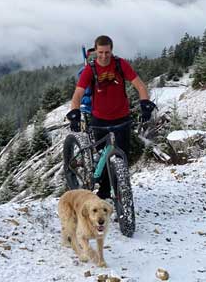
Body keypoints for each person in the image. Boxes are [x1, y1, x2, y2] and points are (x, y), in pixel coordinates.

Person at [66, 35, 156, 199]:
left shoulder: (120, 64)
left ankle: (121, 194)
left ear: (111, 50)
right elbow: (78, 93)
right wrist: (74, 113)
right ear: (96, 51)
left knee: (122, 157)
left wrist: (145, 104)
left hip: (122, 118)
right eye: (100, 52)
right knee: (103, 158)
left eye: (107, 52)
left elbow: (140, 85)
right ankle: (104, 191)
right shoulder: (90, 69)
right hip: (99, 121)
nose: (104, 56)